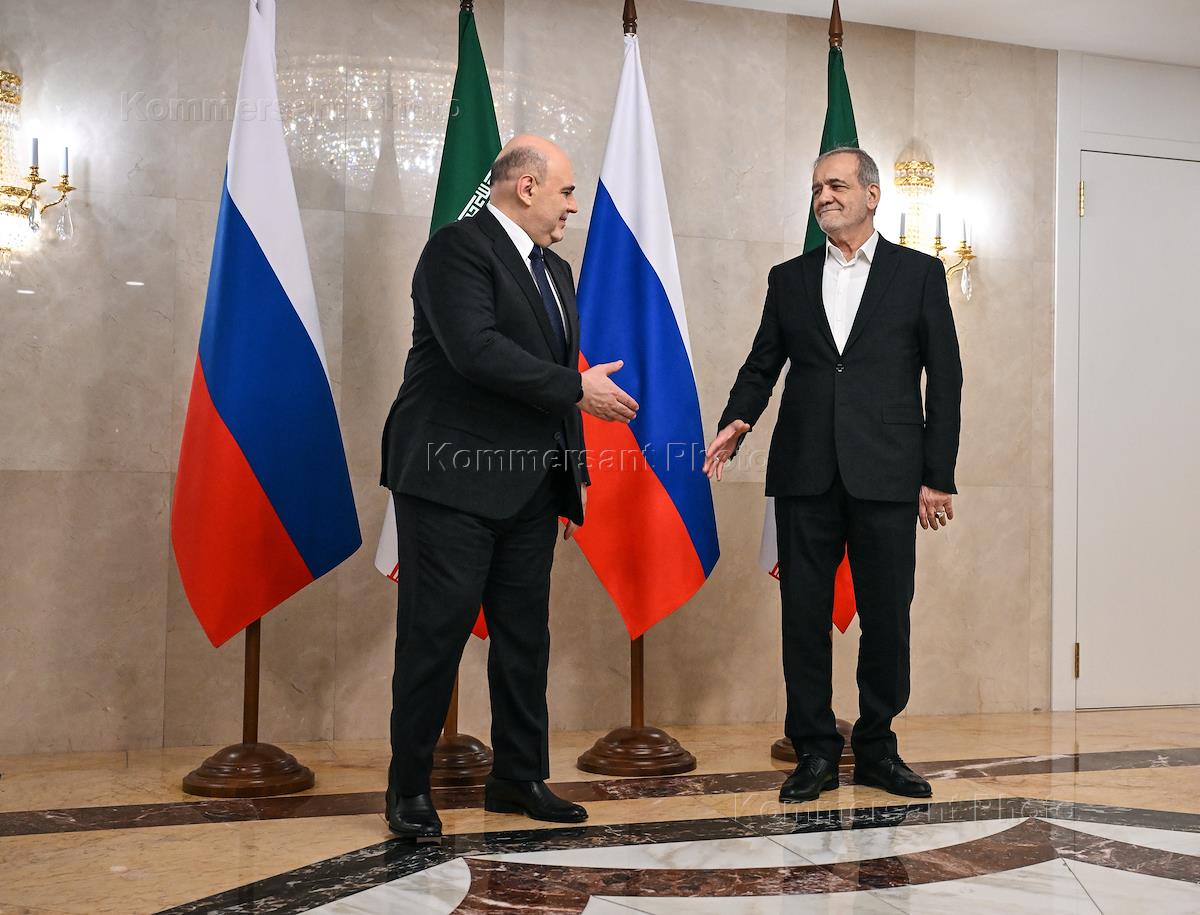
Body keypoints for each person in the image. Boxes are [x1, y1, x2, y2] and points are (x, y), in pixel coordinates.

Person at [380, 135, 638, 838]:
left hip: (531, 488)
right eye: (566, 191)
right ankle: (409, 789)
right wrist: (577, 390)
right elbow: (477, 350)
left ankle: (519, 777)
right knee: (433, 636)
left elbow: (561, 379)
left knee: (526, 640)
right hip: (450, 479)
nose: (573, 206)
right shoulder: (457, 249)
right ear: (526, 187)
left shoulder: (556, 269)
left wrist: (571, 473)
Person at [704, 147, 962, 802]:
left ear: (872, 195)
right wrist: (738, 419)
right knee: (802, 617)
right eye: (817, 186)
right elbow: (762, 363)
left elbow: (946, 378)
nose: (824, 195)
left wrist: (938, 474)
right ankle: (814, 750)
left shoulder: (919, 274)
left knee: (887, 617)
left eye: (837, 184)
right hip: (805, 471)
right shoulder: (788, 278)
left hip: (889, 472)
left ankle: (877, 746)